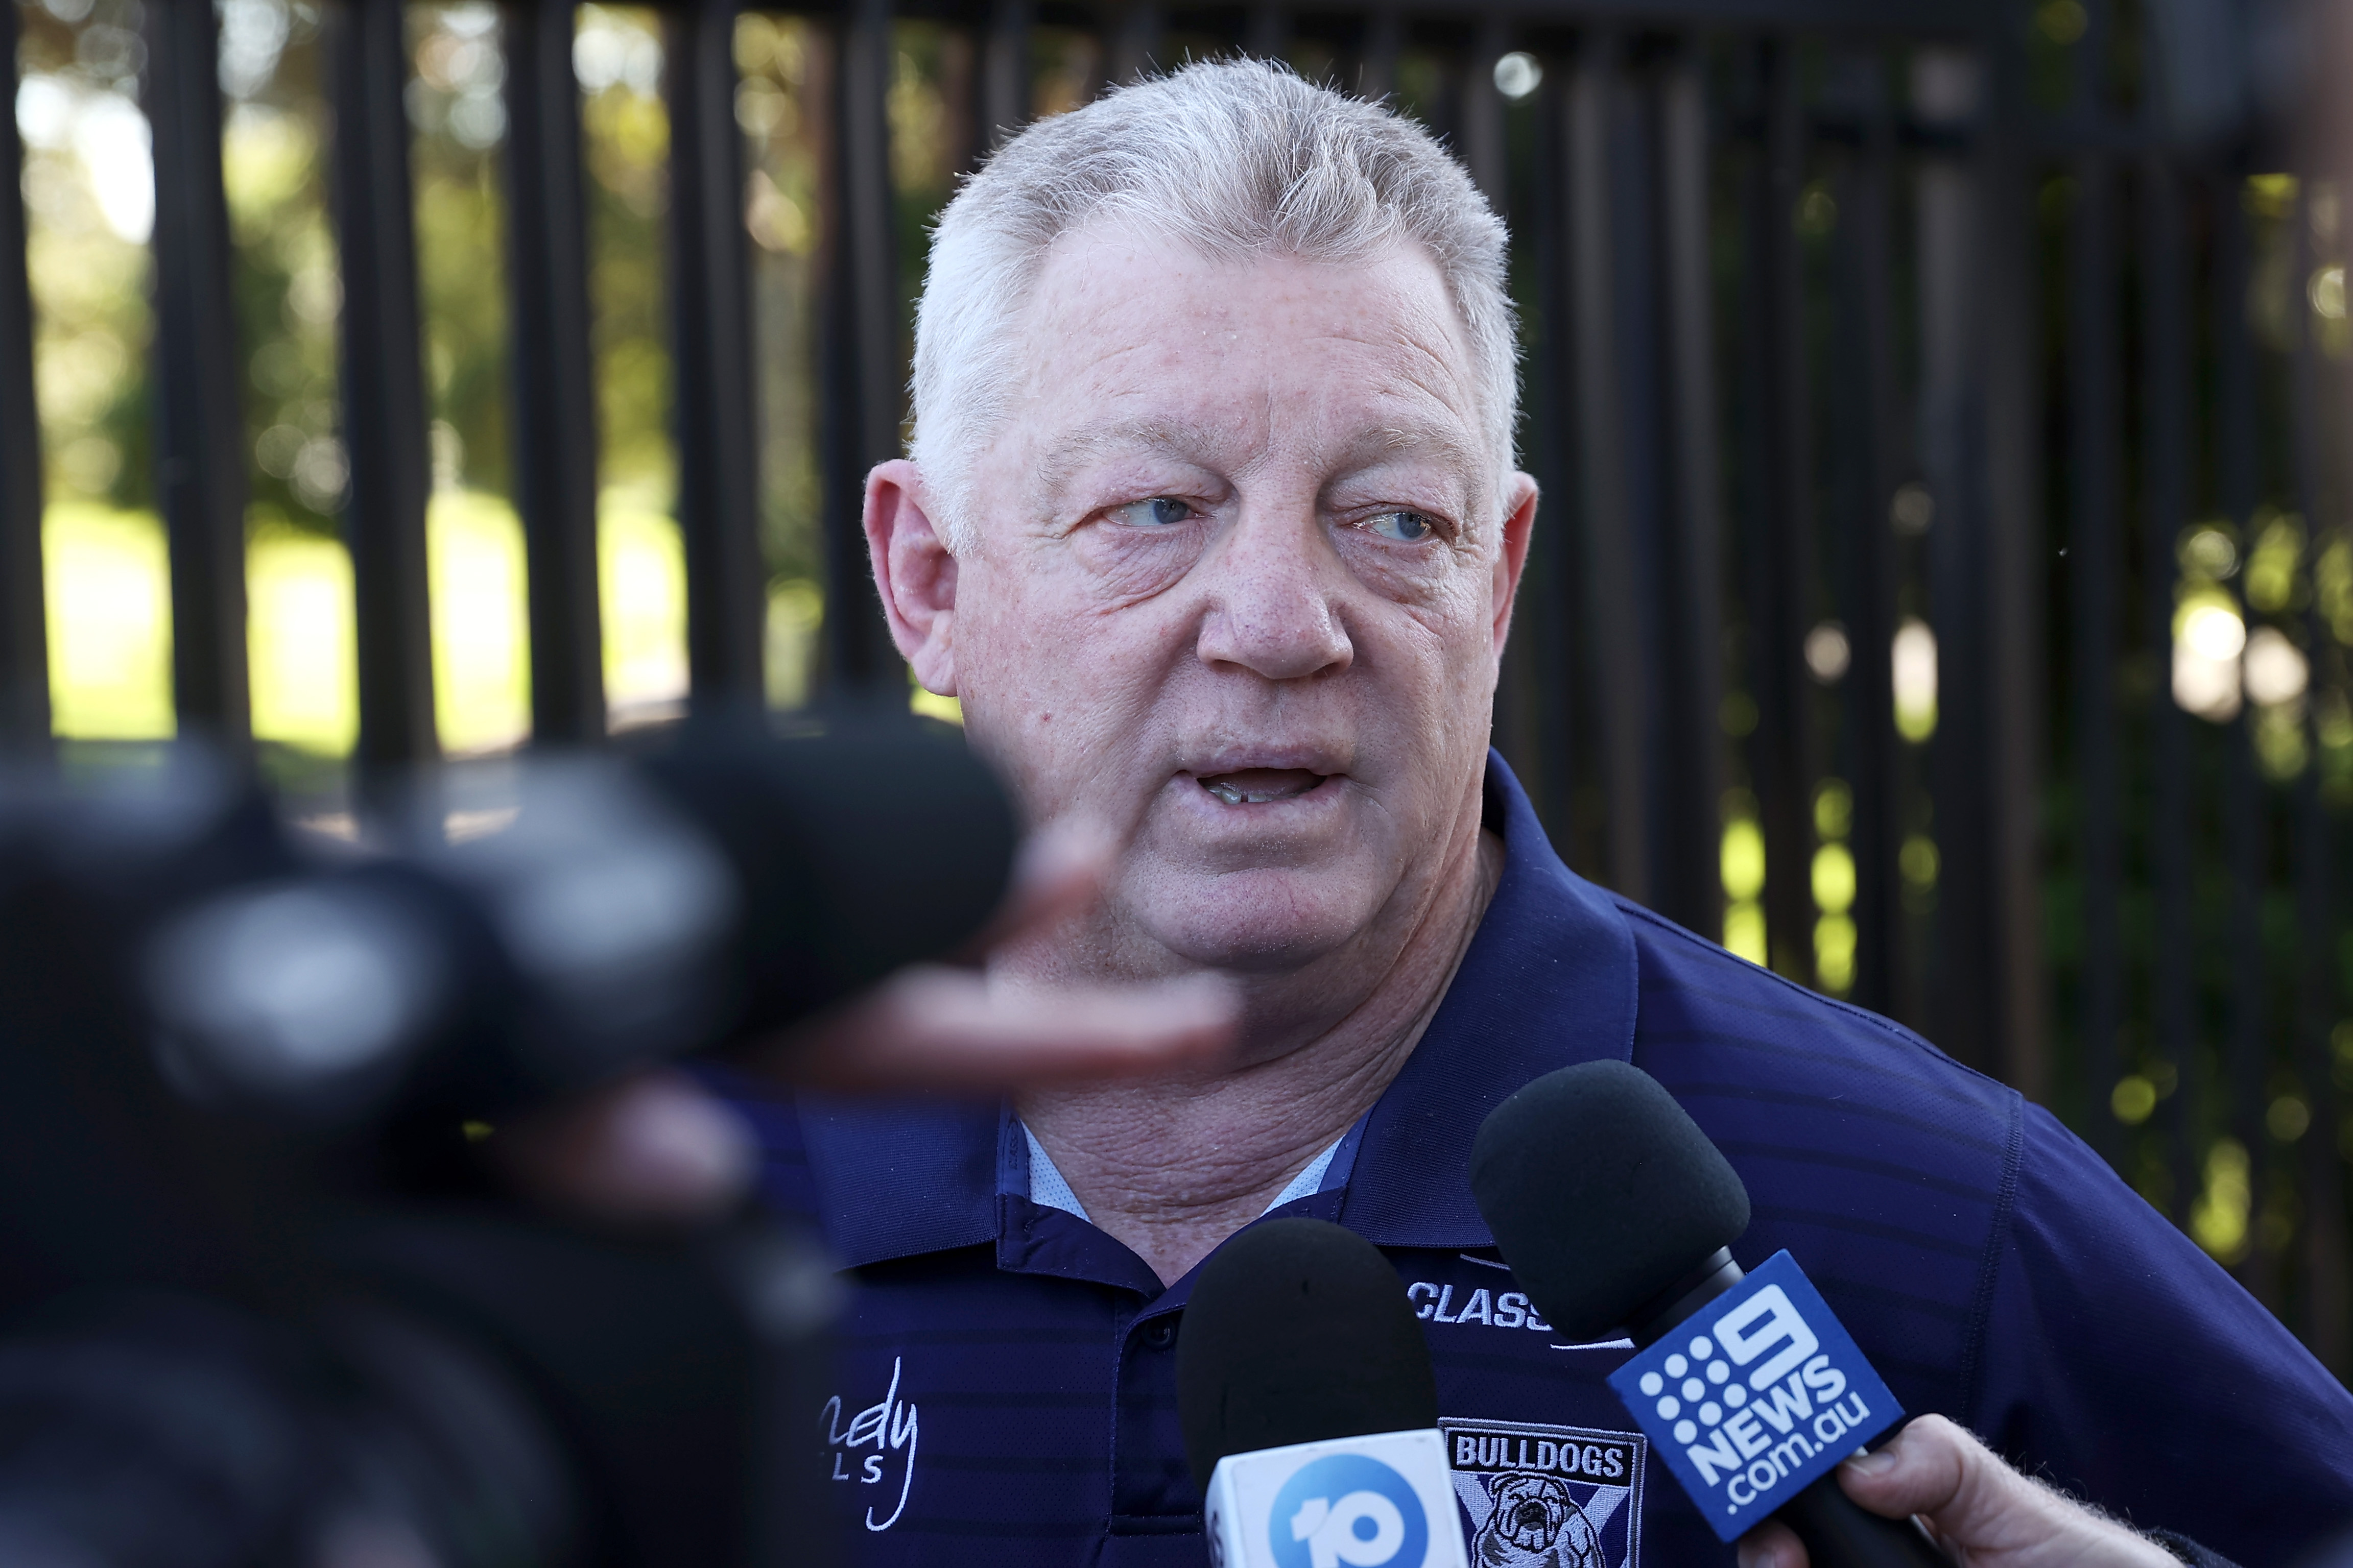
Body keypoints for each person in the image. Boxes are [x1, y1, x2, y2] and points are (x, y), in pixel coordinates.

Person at [690, 59, 2353, 1567]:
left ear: (1497, 579)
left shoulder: (1914, 1216)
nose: (1280, 622)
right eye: (1155, 508)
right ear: (929, 578)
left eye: (1393, 519)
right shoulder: (668, 1203)